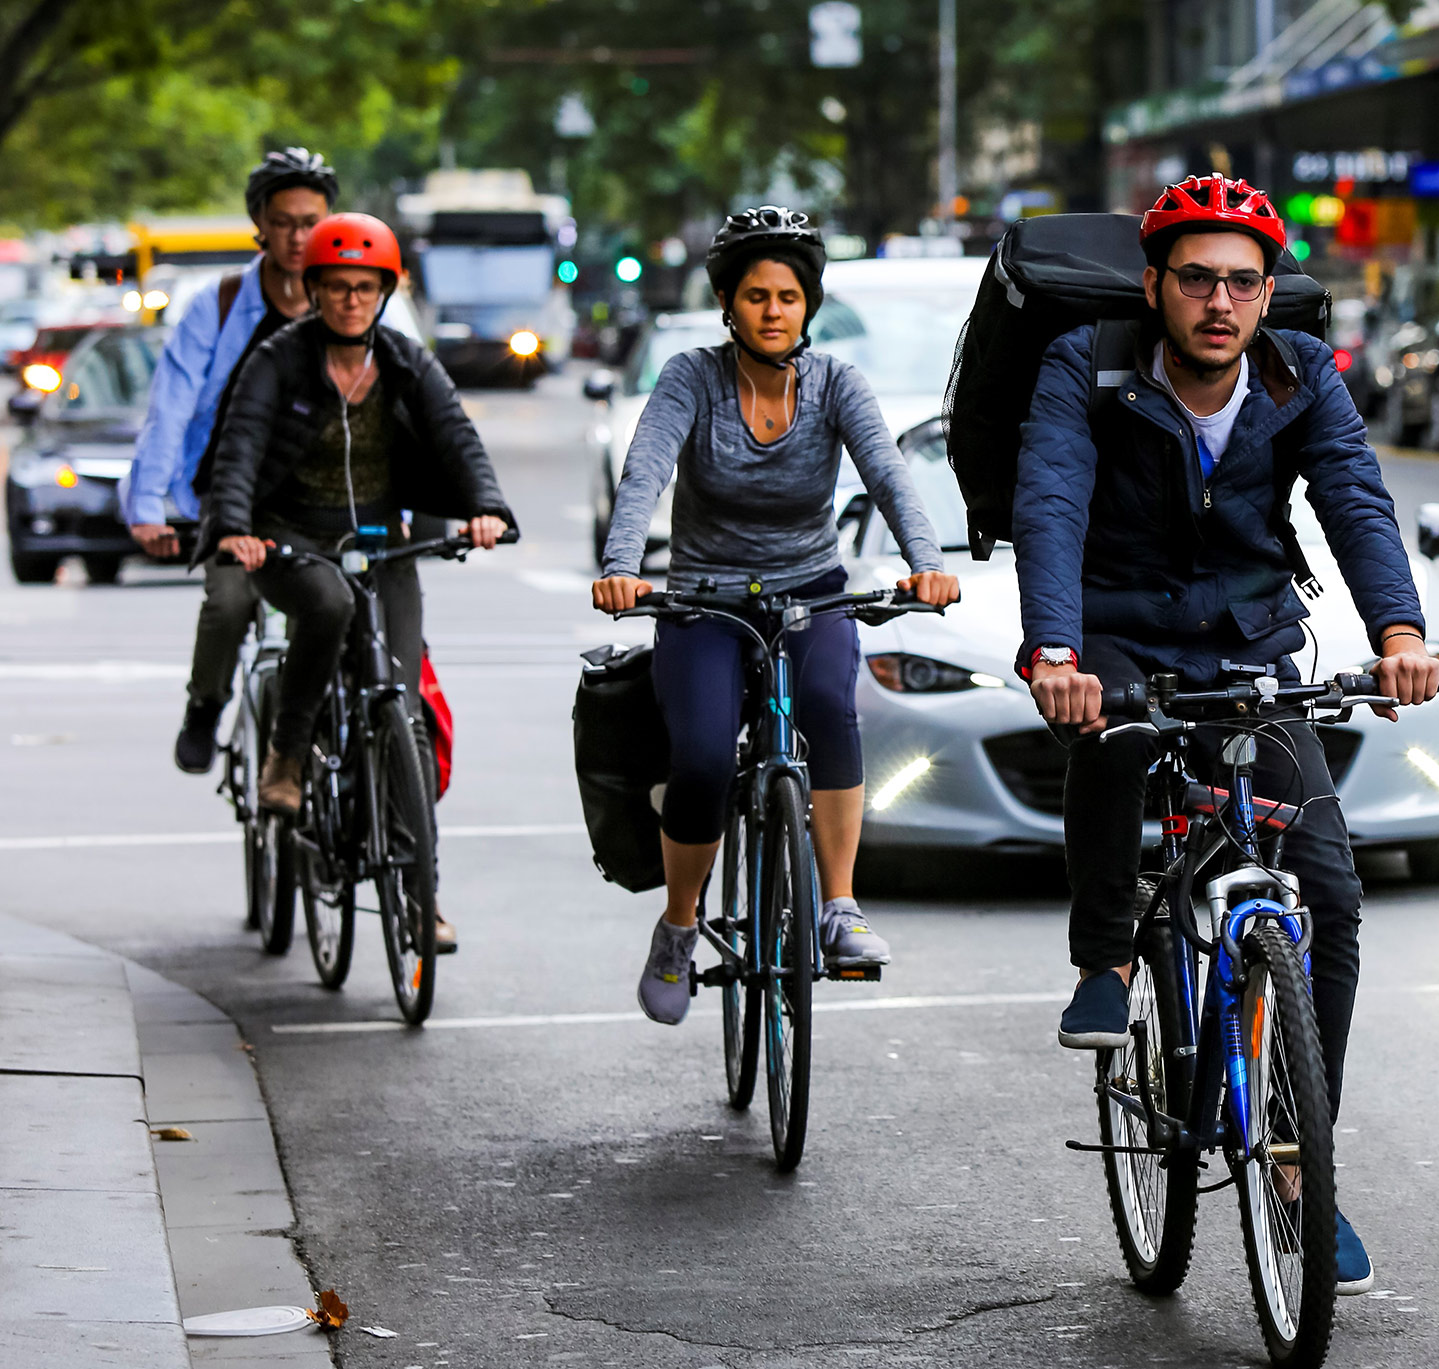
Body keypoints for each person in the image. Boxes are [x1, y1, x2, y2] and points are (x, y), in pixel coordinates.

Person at [1012, 174, 1439, 1295]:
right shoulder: (1086, 368)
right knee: (1108, 739)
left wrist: (1398, 631)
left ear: (1267, 296)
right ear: (1153, 285)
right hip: (1115, 628)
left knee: (1330, 894)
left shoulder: (1301, 376)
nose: (1218, 302)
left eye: (1241, 282)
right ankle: (1106, 953)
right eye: (1195, 278)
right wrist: (1054, 652)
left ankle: (1303, 1170)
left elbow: (1352, 495)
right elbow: (1051, 499)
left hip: (1248, 640)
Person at [591, 205, 958, 1025]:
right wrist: (622, 569)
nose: (772, 310)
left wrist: (927, 564)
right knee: (702, 760)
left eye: (788, 296)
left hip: (810, 590)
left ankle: (839, 907)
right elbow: (645, 472)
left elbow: (893, 479)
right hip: (704, 599)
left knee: (830, 708)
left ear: (808, 305)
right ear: (728, 303)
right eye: (755, 295)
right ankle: (680, 927)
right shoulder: (692, 377)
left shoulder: (835, 384)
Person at [197, 213, 516, 953]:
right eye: (335, 287)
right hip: (289, 537)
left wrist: (487, 509)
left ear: (386, 290)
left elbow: (455, 434)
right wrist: (237, 527)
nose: (350, 301)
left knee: (404, 708)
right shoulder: (278, 361)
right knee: (329, 604)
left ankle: (420, 897)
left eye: (365, 288)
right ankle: (286, 756)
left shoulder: (406, 361)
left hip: (380, 538)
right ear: (311, 289)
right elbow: (239, 448)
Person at [122, 149, 339, 773]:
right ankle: (206, 702)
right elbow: (169, 409)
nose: (299, 237)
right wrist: (148, 507)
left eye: (311, 222)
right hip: (233, 492)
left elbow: (403, 412)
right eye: (285, 222)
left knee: (342, 606)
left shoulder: (356, 297)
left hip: (326, 489)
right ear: (259, 227)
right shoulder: (213, 306)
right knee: (230, 602)